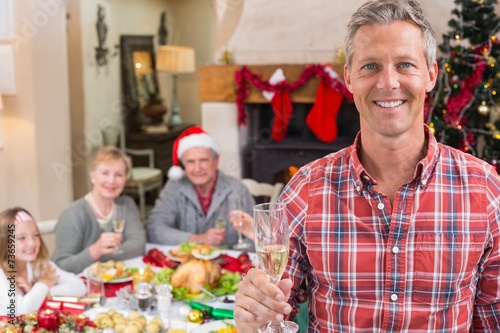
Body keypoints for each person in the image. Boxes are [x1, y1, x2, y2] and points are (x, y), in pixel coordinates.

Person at [233, 0, 500, 332]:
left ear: (431, 75)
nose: (388, 83)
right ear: (349, 77)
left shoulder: (485, 189)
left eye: (404, 64)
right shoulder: (306, 189)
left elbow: (492, 321)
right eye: (370, 66)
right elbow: (274, 315)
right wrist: (253, 319)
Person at [147, 126, 255, 249]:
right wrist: (197, 239)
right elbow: (154, 229)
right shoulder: (174, 186)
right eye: (191, 162)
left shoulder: (237, 189)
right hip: (187, 263)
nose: (197, 169)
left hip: (230, 263)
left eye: (203, 160)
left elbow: (258, 237)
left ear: (216, 161)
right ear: (184, 164)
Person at [52, 146, 146, 274]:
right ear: (93, 175)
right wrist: (94, 251)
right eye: (105, 173)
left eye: (119, 174)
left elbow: (138, 246)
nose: (111, 181)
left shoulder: (126, 205)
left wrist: (100, 256)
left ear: (125, 179)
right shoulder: (73, 214)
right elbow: (61, 266)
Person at [0, 207, 87, 316]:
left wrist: (41, 292)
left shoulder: (39, 264)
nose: (32, 243)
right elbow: (20, 310)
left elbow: (79, 286)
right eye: (22, 238)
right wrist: (43, 284)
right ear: (4, 243)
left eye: (35, 235)